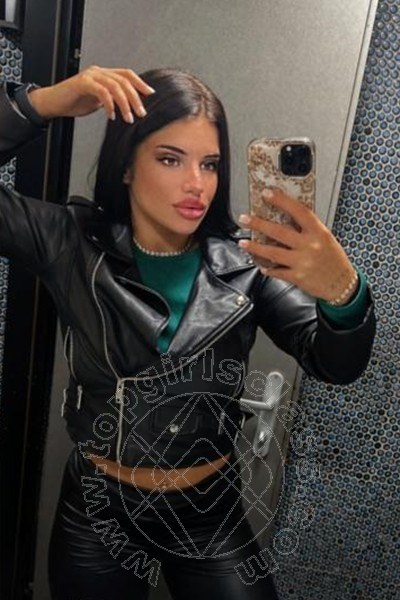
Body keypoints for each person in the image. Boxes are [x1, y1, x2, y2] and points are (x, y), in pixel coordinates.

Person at [0, 66, 376, 600]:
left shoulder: (247, 264)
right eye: (170, 159)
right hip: (99, 511)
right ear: (126, 165)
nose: (197, 184)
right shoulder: (69, 241)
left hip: (208, 514)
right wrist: (43, 103)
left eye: (210, 164)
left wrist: (343, 293)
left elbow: (336, 364)